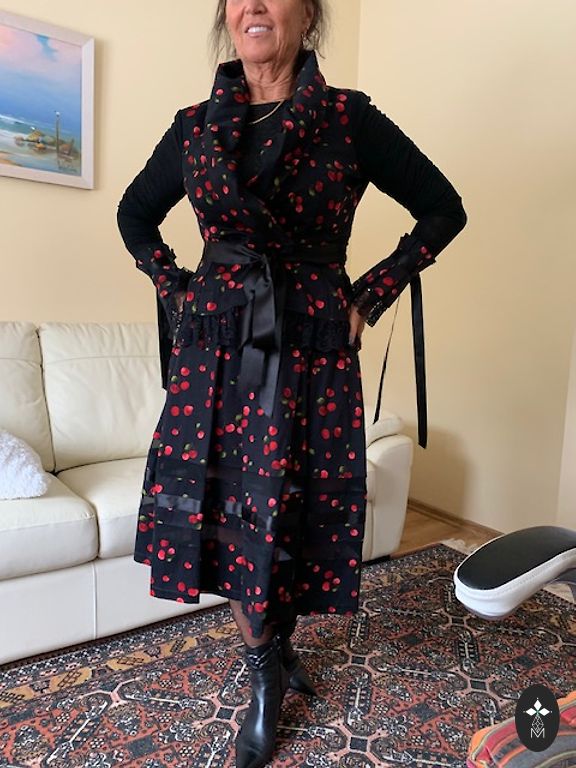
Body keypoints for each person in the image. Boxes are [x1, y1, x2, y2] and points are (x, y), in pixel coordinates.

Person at [117, 1, 467, 766]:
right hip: (219, 349)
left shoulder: (348, 119)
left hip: (310, 346)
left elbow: (444, 209)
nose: (252, 4)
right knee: (233, 518)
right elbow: (135, 214)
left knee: (289, 512)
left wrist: (369, 296)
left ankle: (278, 655)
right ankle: (264, 671)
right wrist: (178, 292)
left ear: (307, 13)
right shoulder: (194, 128)